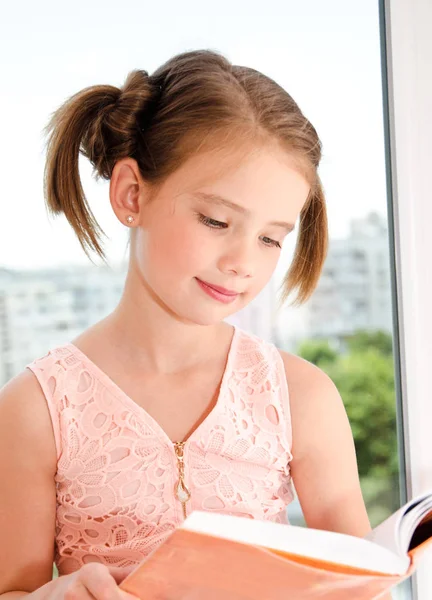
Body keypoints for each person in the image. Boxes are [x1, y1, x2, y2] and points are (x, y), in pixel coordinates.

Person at [0, 49, 381, 600]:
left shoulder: (302, 397)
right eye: (216, 220)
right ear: (132, 194)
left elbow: (364, 587)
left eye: (271, 237)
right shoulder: (35, 410)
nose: (242, 261)